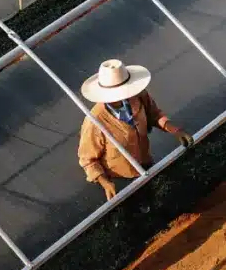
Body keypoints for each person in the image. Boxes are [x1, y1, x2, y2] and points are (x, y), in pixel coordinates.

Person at [78, 59, 194, 201]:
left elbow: (154, 114)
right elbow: (88, 160)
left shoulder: (138, 97)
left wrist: (174, 130)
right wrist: (105, 183)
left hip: (145, 164)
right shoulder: (95, 121)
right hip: (120, 179)